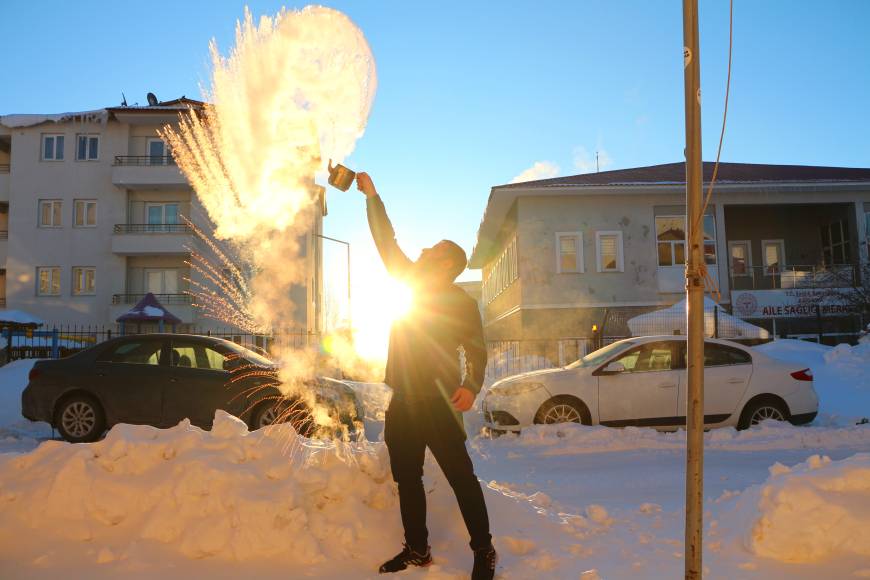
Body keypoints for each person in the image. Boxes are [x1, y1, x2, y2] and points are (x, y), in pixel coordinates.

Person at [356, 172, 497, 580]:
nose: (422, 250)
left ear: (447, 263)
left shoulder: (460, 304)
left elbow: (477, 351)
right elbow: (387, 241)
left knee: (461, 479)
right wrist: (372, 196)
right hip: (403, 401)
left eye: (432, 249)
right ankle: (417, 549)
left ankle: (484, 550)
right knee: (408, 478)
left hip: (440, 403)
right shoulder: (409, 282)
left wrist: (471, 386)